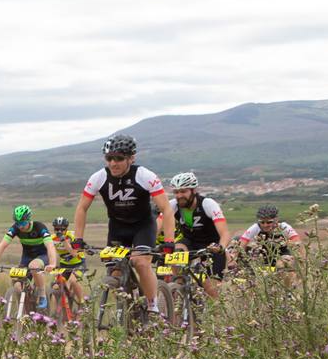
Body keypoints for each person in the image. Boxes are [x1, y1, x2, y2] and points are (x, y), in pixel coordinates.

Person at [71, 134, 175, 317]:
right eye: (109, 158)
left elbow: (166, 209)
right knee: (115, 271)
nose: (113, 163)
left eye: (119, 158)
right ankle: (126, 315)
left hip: (143, 226)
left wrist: (169, 241)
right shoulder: (98, 177)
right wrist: (78, 239)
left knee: (140, 262)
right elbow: (81, 208)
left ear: (131, 158)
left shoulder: (144, 175)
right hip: (118, 228)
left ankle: (152, 307)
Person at [168, 171, 231, 298]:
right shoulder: (173, 205)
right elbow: (158, 224)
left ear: (193, 190)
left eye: (183, 191)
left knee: (211, 288)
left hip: (212, 246)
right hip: (190, 242)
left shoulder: (208, 204)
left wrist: (221, 247)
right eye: (176, 192)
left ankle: (216, 314)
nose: (179, 195)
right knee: (175, 250)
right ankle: (180, 283)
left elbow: (225, 233)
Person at [0, 206, 58, 309]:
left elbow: (50, 246)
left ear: (29, 220)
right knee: (17, 286)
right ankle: (25, 310)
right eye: (18, 223)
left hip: (42, 255)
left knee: (33, 266)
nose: (20, 226)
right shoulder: (15, 228)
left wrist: (52, 263)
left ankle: (42, 296)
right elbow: (3, 244)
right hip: (26, 257)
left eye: (23, 223)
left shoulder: (39, 227)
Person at [234, 205, 304, 274]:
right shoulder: (255, 228)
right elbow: (240, 245)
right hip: (263, 256)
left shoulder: (284, 227)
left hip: (282, 255)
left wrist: (303, 261)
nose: (265, 225)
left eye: (269, 222)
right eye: (262, 222)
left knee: (282, 265)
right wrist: (233, 261)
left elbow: (298, 243)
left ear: (276, 219)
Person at [50, 217, 88, 307]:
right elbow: (50, 253)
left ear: (66, 229)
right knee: (56, 287)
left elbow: (74, 254)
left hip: (78, 263)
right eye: (57, 229)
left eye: (62, 229)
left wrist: (64, 241)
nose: (59, 231)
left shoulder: (72, 236)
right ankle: (56, 313)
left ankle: (82, 304)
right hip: (65, 264)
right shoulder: (52, 238)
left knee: (73, 281)